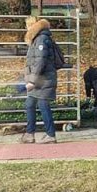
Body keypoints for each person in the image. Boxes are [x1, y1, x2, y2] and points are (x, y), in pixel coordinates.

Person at [21, 16, 58, 144]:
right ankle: (30, 133)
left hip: (43, 80)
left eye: (27, 26)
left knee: (43, 104)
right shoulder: (37, 39)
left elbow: (40, 62)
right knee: (30, 104)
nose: (26, 28)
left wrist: (32, 81)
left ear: (33, 26)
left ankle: (50, 134)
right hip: (41, 79)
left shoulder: (41, 40)